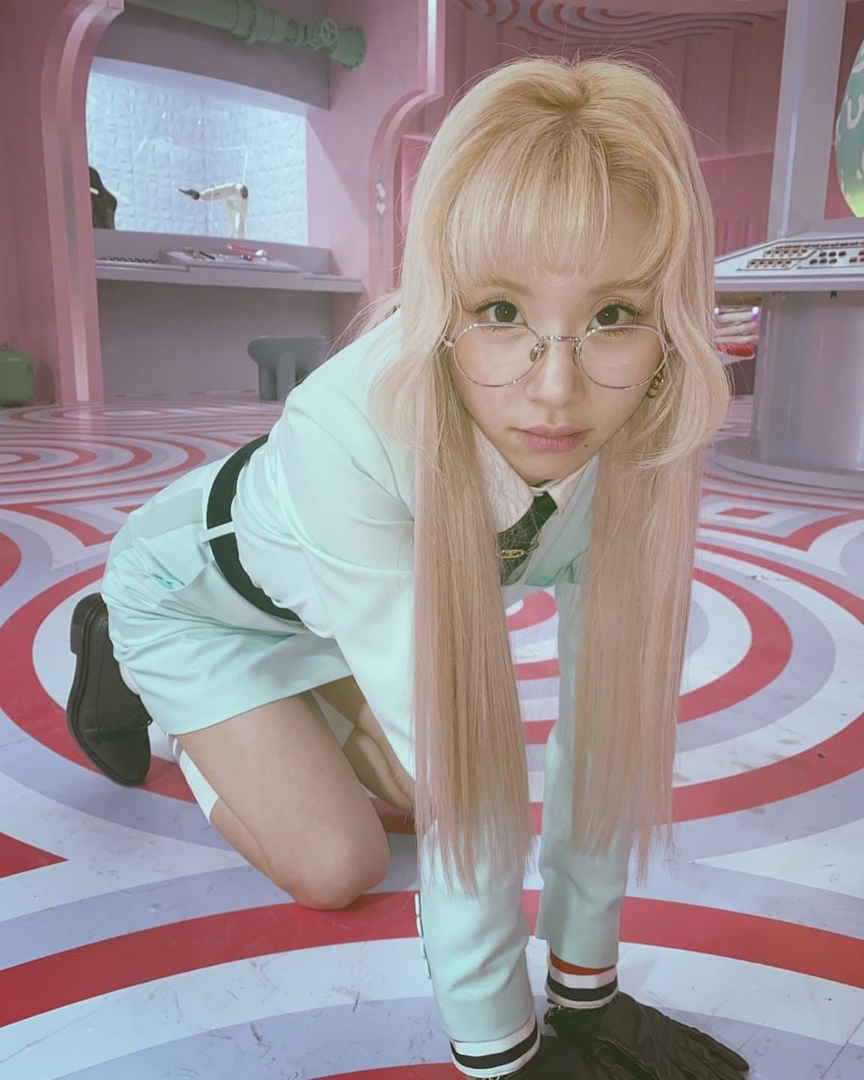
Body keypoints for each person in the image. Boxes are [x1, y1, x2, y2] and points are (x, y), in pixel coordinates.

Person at [66, 57, 750, 1079]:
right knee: (342, 861)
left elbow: (604, 729)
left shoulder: (644, 433)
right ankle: (116, 648)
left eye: (614, 315)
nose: (554, 391)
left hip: (334, 615)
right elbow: (464, 774)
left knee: (439, 788)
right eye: (502, 311)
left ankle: (295, 711)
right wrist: (507, 1054)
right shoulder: (345, 430)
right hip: (196, 599)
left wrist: (588, 994)